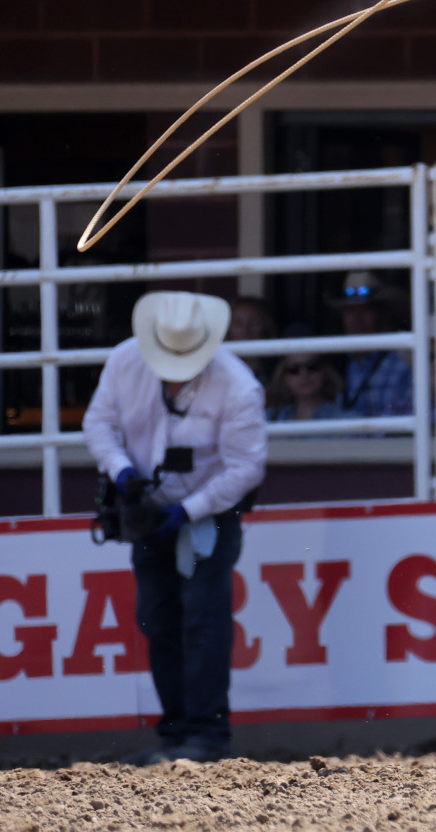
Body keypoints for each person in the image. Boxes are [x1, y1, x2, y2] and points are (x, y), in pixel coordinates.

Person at [82, 291, 266, 764]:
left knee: (202, 618)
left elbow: (246, 469)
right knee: (158, 618)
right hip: (150, 508)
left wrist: (189, 509)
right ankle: (181, 733)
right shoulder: (126, 363)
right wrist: (122, 470)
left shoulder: (237, 385)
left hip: (209, 512)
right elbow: (99, 423)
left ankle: (204, 734)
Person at [332, 270, 412, 419]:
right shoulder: (338, 363)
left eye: (366, 310)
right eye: (350, 311)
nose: (357, 319)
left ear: (383, 314)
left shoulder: (403, 357)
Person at [265, 352, 346, 423]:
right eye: (294, 369)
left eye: (312, 367)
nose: (304, 374)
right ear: (283, 376)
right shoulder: (268, 418)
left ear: (325, 371)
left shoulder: (347, 420)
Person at [224, 295, 276, 385]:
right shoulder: (219, 365)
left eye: (254, 323)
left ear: (265, 327)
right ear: (228, 328)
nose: (246, 331)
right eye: (238, 324)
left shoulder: (276, 368)